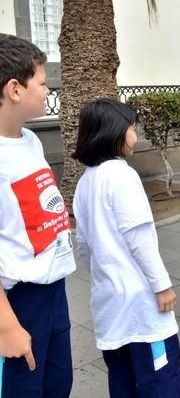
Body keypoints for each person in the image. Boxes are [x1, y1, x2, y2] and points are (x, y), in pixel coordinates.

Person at [72, 99, 180, 397]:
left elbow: (83, 246)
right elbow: (140, 238)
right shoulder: (122, 176)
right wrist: (162, 286)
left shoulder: (85, 182)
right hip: (140, 303)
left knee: (122, 380)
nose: (136, 135)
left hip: (108, 301)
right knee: (160, 381)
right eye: (132, 128)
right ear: (114, 131)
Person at [0, 33, 76, 397]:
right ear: (15, 89)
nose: (48, 90)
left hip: (53, 288)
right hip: (17, 302)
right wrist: (6, 326)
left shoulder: (29, 140)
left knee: (57, 383)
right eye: (43, 83)